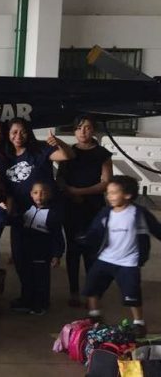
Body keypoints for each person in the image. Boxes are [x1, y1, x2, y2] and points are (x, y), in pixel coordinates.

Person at [82, 175, 161, 336]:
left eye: (114, 193)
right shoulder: (105, 213)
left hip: (128, 263)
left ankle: (139, 323)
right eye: (108, 193)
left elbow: (157, 229)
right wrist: (84, 239)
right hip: (105, 258)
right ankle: (94, 315)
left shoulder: (139, 213)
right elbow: (94, 231)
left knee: (132, 293)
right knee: (92, 287)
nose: (109, 196)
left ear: (128, 195)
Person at [57, 115, 113, 307]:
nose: (83, 131)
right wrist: (70, 193)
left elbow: (106, 183)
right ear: (74, 131)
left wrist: (80, 192)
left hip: (94, 208)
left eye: (88, 128)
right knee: (73, 251)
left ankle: (92, 293)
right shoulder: (69, 152)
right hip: (71, 207)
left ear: (94, 130)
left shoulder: (102, 154)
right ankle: (74, 292)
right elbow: (60, 179)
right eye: (79, 128)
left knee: (91, 252)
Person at [8, 182, 64, 315]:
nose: (39, 195)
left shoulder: (53, 214)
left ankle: (41, 304)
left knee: (41, 279)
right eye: (36, 192)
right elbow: (18, 226)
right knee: (27, 277)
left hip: (41, 253)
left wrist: (57, 255)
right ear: (31, 194)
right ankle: (26, 300)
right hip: (26, 251)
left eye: (43, 192)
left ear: (49, 195)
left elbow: (57, 236)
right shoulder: (28, 210)